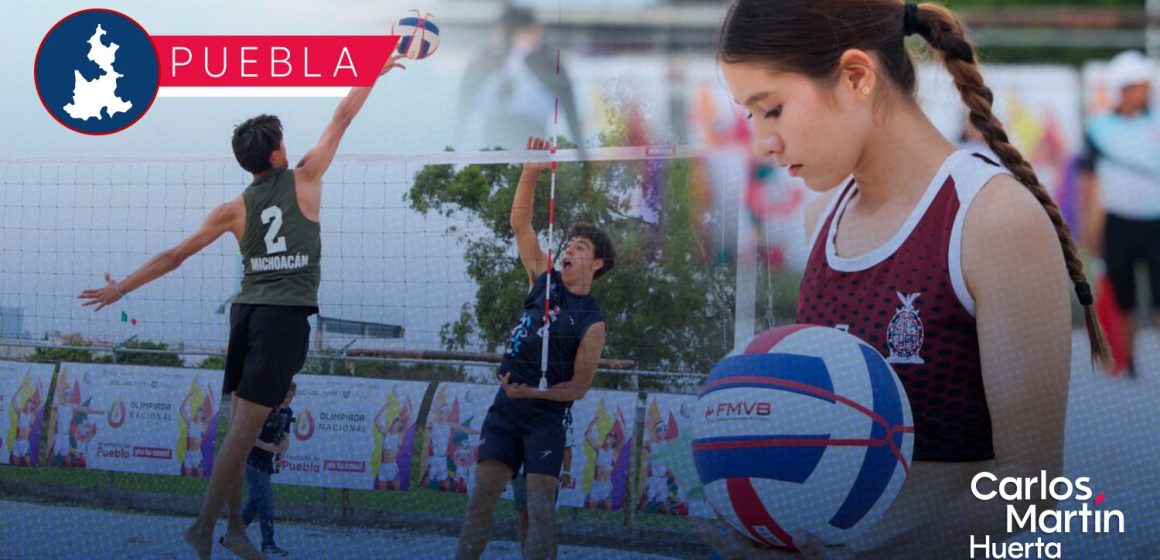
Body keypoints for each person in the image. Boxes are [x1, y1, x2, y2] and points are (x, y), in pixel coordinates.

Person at [700, 1, 1108, 558]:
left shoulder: (991, 219)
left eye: (770, 109)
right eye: (751, 117)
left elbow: (1031, 489)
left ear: (856, 76)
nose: (762, 143)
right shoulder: (822, 218)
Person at [79, 54, 406, 560]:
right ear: (276, 155)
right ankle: (203, 526)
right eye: (282, 141)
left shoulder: (231, 209)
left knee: (237, 429)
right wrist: (373, 71)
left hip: (245, 314)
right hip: (283, 318)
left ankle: (234, 528)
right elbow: (343, 116)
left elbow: (173, 256)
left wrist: (120, 288)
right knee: (243, 435)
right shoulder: (306, 176)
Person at [455, 136, 614, 560]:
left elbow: (578, 388)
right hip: (506, 407)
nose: (569, 250)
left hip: (546, 415)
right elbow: (520, 225)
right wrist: (529, 170)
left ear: (596, 264)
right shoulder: (543, 279)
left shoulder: (592, 321)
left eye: (580, 248)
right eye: (569, 245)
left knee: (539, 508)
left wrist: (535, 394)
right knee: (481, 498)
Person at [1079, 50, 1160, 377]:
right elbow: (1089, 181)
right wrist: (1089, 229)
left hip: (1156, 224)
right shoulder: (1099, 129)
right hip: (1118, 225)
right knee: (1123, 298)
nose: (1147, 91)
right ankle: (1130, 365)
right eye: (1141, 85)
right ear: (1125, 89)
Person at [457, 5, 584, 150]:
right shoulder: (482, 64)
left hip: (528, 147)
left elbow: (571, 115)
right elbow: (461, 113)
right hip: (495, 149)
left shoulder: (548, 65)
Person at [220, 382, 295, 557]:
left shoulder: (287, 412)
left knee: (255, 503)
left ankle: (230, 537)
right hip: (250, 459)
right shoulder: (263, 409)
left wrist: (281, 454)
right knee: (266, 503)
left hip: (267, 461)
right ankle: (268, 544)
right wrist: (268, 447)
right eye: (285, 396)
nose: (287, 400)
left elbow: (285, 437)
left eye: (291, 397)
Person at [49, 384, 105, 467]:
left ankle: (68, 473)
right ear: (64, 395)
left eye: (71, 394)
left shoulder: (72, 406)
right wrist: (56, 392)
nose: (70, 395)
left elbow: (85, 410)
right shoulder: (58, 405)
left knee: (67, 455)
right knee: (54, 453)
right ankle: (48, 468)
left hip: (66, 436)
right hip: (59, 435)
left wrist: (97, 412)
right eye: (68, 393)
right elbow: (52, 405)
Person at [582, 408, 627, 511]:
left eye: (611, 435)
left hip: (606, 486)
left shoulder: (615, 452)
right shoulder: (599, 449)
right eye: (608, 435)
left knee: (607, 515)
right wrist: (595, 419)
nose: (609, 436)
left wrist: (619, 420)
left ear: (614, 440)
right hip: (596, 484)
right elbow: (587, 435)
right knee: (591, 513)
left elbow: (625, 436)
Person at [373, 393, 411, 491]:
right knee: (381, 491)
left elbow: (409, 417)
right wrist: (384, 407)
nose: (395, 422)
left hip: (392, 467)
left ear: (399, 426)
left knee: (397, 490)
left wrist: (406, 401)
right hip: (382, 467)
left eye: (398, 421)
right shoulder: (386, 433)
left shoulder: (400, 436)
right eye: (395, 421)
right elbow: (376, 421)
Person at [179, 384, 216, 478]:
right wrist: (189, 395)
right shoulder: (190, 422)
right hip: (188, 454)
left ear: (203, 414)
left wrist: (208, 393)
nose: (200, 411)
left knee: (200, 478)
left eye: (202, 410)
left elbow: (213, 411)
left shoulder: (203, 424)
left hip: (197, 456)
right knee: (187, 478)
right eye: (199, 410)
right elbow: (181, 410)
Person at [9, 381, 44, 466]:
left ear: (32, 405)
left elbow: (42, 401)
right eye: (29, 401)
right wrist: (21, 387)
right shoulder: (21, 413)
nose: (30, 402)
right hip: (17, 442)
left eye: (32, 402)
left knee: (27, 464)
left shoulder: (33, 415)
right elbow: (13, 401)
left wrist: (39, 387)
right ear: (26, 403)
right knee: (15, 465)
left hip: (25, 443)